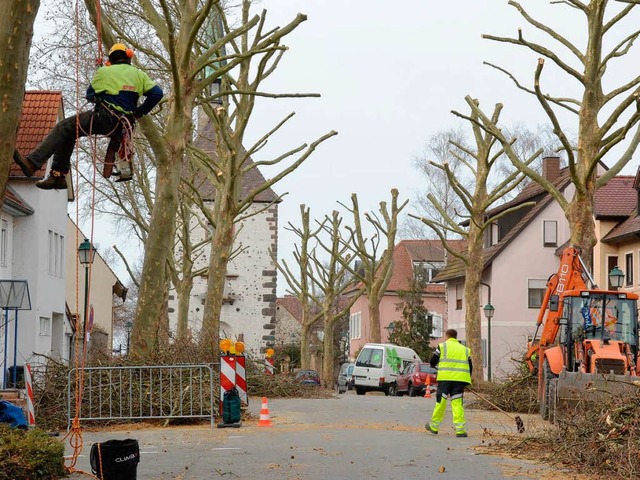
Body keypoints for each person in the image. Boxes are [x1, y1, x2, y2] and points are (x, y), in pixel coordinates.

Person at [15, 43, 163, 190]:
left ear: (110, 59)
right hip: (123, 127)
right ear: (128, 57)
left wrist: (101, 75)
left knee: (64, 127)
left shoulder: (105, 71)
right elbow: (157, 94)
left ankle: (33, 163)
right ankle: (58, 176)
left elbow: (90, 95)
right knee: (70, 133)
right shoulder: (139, 74)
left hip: (104, 118)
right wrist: (139, 111)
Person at [426, 328, 472, 437]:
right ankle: (460, 430)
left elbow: (433, 361)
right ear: (455, 337)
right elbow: (470, 366)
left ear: (447, 336)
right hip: (459, 380)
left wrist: (434, 366)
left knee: (440, 402)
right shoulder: (465, 349)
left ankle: (434, 426)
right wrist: (466, 379)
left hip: (445, 379)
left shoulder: (442, 346)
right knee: (457, 404)